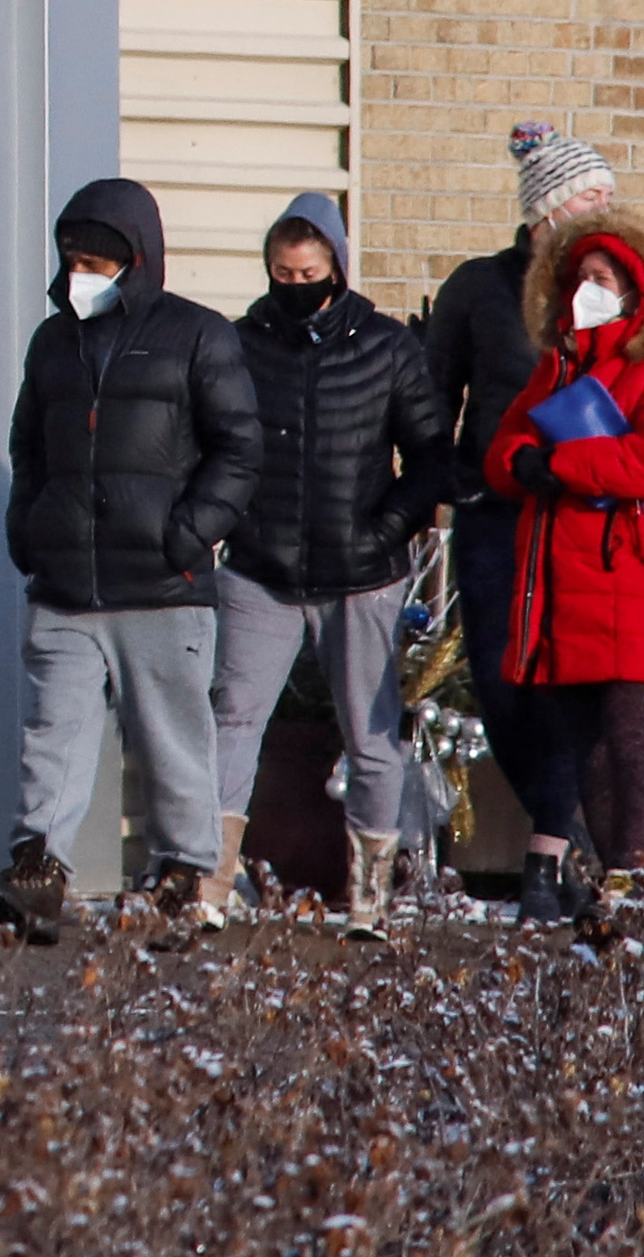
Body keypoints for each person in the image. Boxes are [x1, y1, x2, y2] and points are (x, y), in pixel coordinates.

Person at [0, 176, 256, 944]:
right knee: (51, 735)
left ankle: (181, 880)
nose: (82, 274)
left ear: (137, 259)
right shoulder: (51, 341)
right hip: (65, 584)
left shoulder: (200, 336)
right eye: (72, 258)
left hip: (164, 585)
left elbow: (239, 450)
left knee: (172, 740)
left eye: (98, 260)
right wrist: (28, 529)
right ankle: (38, 873)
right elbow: (29, 446)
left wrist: (185, 532)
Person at [208, 192, 452, 930]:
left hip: (362, 571)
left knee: (373, 733)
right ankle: (211, 884)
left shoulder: (385, 346)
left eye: (309, 270)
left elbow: (433, 455)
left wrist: (387, 529)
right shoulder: (238, 344)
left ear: (337, 266)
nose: (295, 284)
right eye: (282, 272)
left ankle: (370, 897)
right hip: (261, 567)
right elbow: (213, 440)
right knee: (231, 719)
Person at [483, 189, 644, 938]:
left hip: (639, 581)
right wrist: (531, 462)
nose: (590, 290)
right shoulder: (555, 369)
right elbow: (501, 453)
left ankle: (636, 884)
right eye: (579, 275)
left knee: (629, 738)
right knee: (586, 746)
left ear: (637, 288)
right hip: (567, 594)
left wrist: (562, 462)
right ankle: (617, 890)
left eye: (605, 278)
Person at [422, 126, 626, 907]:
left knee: (571, 682)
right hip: (496, 516)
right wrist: (445, 483)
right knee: (504, 679)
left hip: (580, 512)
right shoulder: (480, 287)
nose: (606, 208)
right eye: (591, 195)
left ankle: (549, 849)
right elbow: (432, 396)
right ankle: (555, 831)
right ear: (546, 207)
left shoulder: (612, 288)